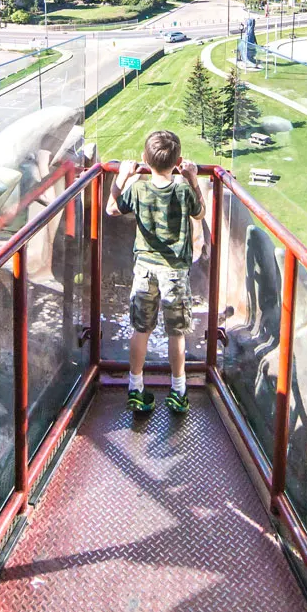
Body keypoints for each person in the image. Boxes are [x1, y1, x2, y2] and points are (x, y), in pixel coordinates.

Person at [106, 129, 210, 415]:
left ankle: (135, 388)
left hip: (145, 270)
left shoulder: (138, 190)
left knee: (141, 329)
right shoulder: (182, 189)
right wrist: (191, 177)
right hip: (175, 272)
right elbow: (199, 212)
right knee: (176, 333)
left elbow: (111, 208)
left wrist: (122, 178)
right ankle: (178, 391)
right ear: (178, 160)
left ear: (143, 159)